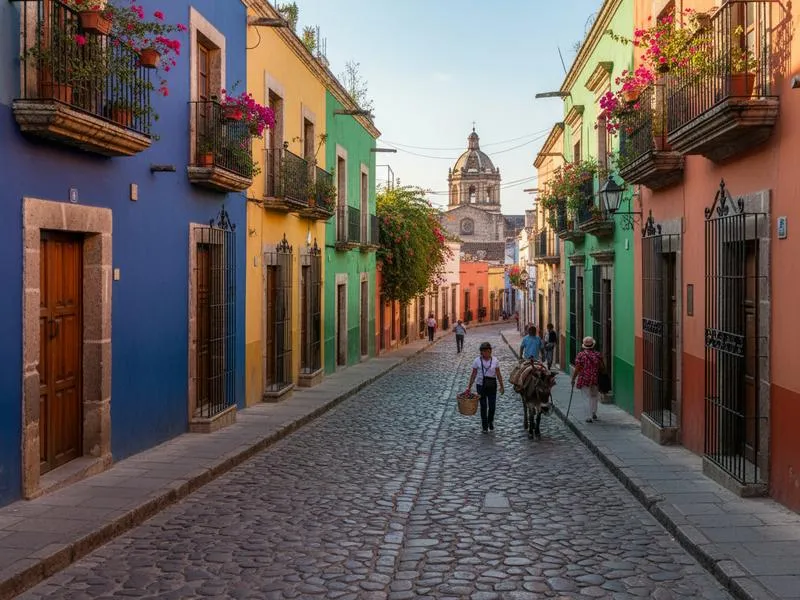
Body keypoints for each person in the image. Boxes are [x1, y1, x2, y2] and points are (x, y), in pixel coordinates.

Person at [465, 341, 505, 433]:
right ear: (481, 352)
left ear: (490, 351)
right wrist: (469, 387)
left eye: (487, 351)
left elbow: (498, 374)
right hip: (480, 386)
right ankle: (484, 426)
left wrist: (502, 386)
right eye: (483, 351)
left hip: (492, 386)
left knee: (492, 407)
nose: (486, 353)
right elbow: (474, 374)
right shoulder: (477, 361)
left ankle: (490, 421)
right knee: (483, 406)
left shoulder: (495, 360)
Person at [571, 336, 603, 423]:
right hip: (595, 378)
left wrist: (573, 378)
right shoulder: (597, 355)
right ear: (593, 345)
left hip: (584, 378)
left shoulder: (581, 355)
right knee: (594, 396)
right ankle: (593, 412)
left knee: (586, 397)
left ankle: (588, 416)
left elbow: (577, 368)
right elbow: (601, 367)